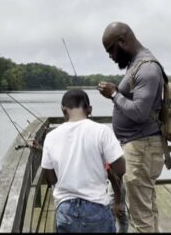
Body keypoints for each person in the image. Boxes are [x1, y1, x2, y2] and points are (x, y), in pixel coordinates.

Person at [97, 21, 166, 233]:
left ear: (122, 41)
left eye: (111, 50)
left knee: (141, 217)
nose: (111, 56)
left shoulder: (147, 68)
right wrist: (119, 91)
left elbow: (139, 112)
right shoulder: (135, 65)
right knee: (147, 209)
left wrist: (114, 94)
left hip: (141, 149)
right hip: (139, 146)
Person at [40, 89, 126, 233]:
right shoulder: (102, 131)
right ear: (89, 109)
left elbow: (50, 178)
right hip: (96, 207)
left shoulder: (51, 136)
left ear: (63, 110)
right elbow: (121, 169)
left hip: (65, 209)